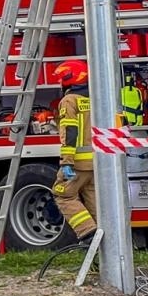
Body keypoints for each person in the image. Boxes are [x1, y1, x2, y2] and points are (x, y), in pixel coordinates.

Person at [51, 61, 98, 241]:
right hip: (96, 161)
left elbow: (70, 132)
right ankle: (103, 242)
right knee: (93, 200)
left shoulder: (69, 101)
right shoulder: (96, 98)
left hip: (77, 162)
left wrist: (67, 162)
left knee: (63, 195)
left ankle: (88, 233)